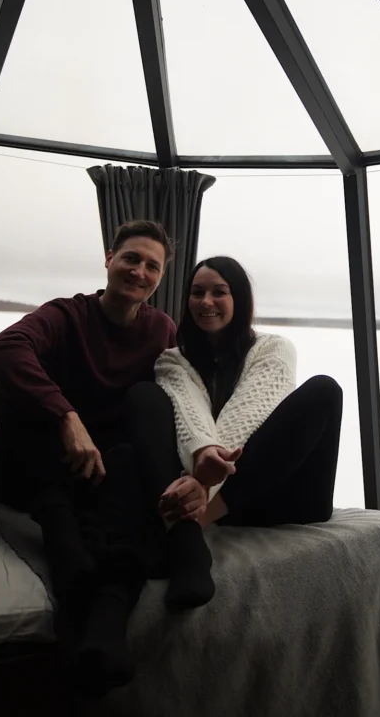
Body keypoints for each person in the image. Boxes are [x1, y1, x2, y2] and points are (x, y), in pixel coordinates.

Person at [0, 219, 196, 698]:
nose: (139, 271)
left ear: (161, 278)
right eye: (131, 258)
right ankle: (63, 543)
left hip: (100, 475)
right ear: (108, 259)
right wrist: (65, 416)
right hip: (37, 472)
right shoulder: (65, 315)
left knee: (144, 416)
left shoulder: (162, 330)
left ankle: (105, 620)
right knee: (19, 383)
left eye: (152, 266)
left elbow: (186, 397)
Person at [126, 256, 344, 606]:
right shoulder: (173, 361)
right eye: (197, 293)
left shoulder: (273, 348)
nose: (206, 302)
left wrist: (203, 487)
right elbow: (191, 420)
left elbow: (248, 414)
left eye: (219, 292)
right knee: (144, 395)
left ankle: (187, 526)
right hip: (218, 495)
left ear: (239, 299)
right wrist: (202, 460)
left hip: (282, 497)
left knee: (324, 390)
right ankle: (185, 534)